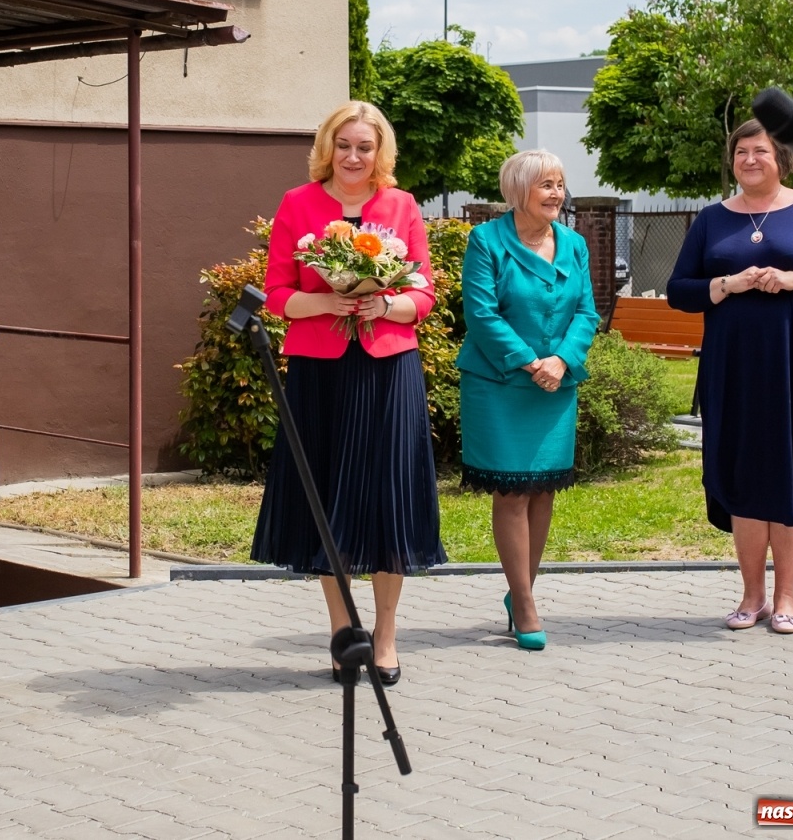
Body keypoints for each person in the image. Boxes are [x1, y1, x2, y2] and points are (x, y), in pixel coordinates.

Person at [250, 101, 446, 685]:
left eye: (365, 146)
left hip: (388, 371)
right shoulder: (298, 204)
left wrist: (387, 303)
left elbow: (426, 295)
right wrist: (326, 302)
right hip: (320, 372)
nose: (354, 157)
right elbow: (278, 292)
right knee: (324, 505)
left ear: (380, 151)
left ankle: (384, 638)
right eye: (344, 145)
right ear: (327, 148)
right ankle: (344, 634)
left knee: (389, 505)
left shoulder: (403, 206)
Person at [668, 118, 793, 635]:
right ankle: (751, 596)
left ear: (780, 158)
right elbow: (679, 289)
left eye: (759, 151)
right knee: (742, 471)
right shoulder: (711, 218)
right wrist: (726, 283)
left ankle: (786, 597)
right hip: (732, 366)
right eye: (740, 152)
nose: (748, 160)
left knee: (787, 472)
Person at [455, 150, 599, 651]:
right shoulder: (486, 240)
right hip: (499, 384)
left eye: (560, 184)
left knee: (542, 491)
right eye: (546, 185)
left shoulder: (575, 244)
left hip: (557, 384)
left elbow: (587, 311)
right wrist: (530, 362)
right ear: (519, 191)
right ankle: (527, 602)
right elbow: (481, 313)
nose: (557, 193)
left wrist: (560, 360)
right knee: (513, 492)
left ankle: (521, 595)